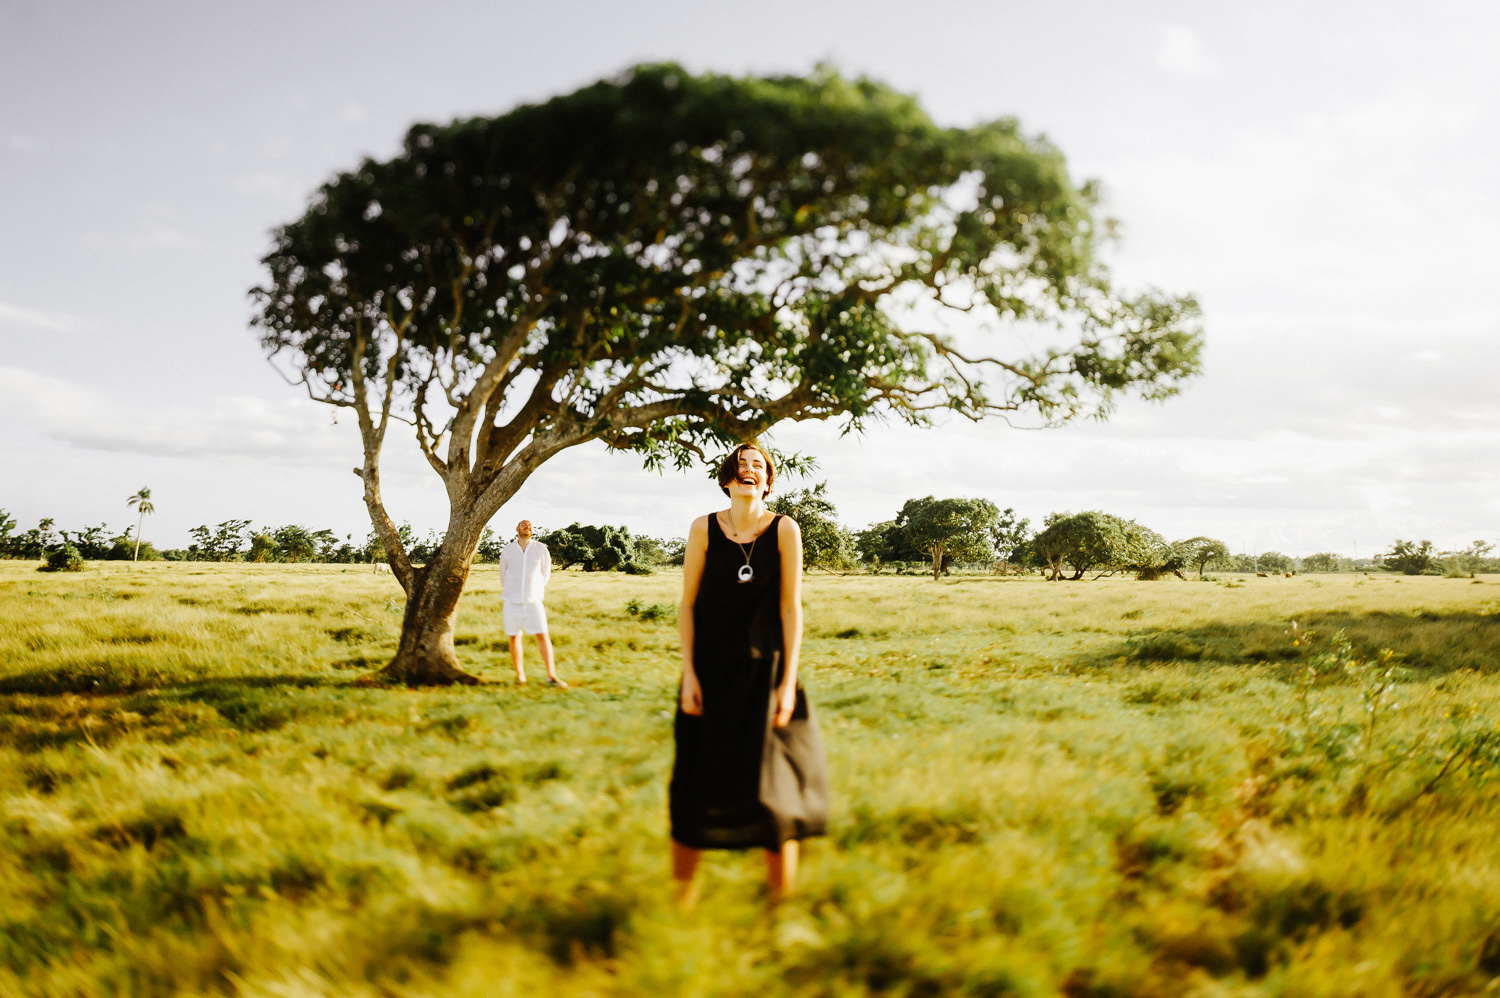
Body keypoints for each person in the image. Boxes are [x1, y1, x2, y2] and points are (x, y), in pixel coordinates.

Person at [670, 443, 829, 903]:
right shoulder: (703, 527)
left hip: (768, 674)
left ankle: (782, 905)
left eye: (757, 465)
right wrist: (690, 675)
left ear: (768, 481)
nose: (748, 469)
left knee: (776, 793)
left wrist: (787, 683)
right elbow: (688, 604)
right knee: (694, 788)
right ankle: (679, 902)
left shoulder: (785, 529)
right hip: (710, 673)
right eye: (740, 464)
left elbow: (789, 607)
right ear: (726, 479)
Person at [498, 519, 565, 687]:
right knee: (514, 636)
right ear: (517, 529)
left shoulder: (540, 549)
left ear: (532, 530)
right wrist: (513, 590)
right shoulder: (508, 550)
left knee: (542, 635)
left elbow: (545, 574)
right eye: (523, 525)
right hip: (511, 601)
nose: (527, 527)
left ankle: (551, 675)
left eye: (529, 526)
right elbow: (503, 575)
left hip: (533, 600)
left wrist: (534, 590)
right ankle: (520, 675)